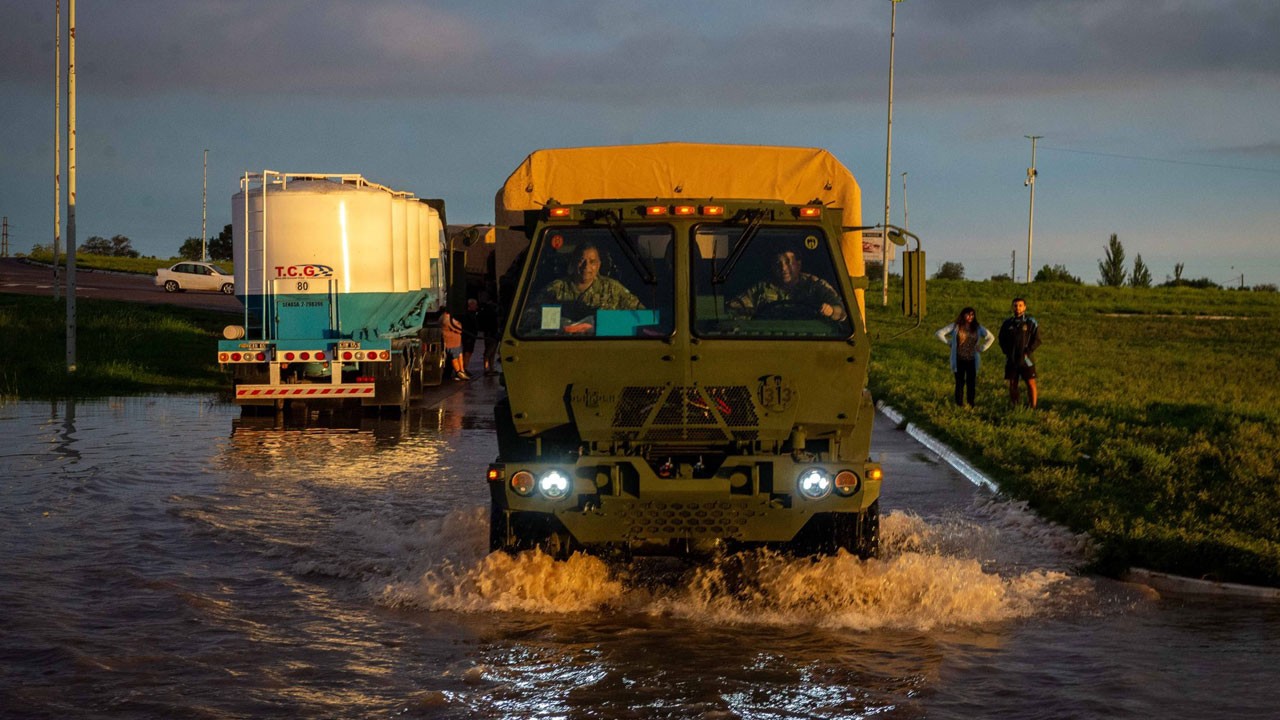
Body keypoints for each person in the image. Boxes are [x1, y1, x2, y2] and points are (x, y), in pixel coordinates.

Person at [726, 248, 846, 322]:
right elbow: (734, 310)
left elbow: (842, 313)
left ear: (798, 265)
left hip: (811, 342)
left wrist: (831, 311)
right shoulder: (761, 288)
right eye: (778, 263)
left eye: (788, 263)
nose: (783, 268)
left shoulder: (815, 285)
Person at [533, 242, 643, 312]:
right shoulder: (556, 289)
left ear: (599, 265)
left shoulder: (612, 289)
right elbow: (529, 315)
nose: (586, 267)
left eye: (592, 262)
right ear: (574, 262)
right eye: (581, 261)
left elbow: (641, 313)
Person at [935, 306, 996, 407]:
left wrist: (982, 348)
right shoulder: (956, 326)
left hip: (972, 359)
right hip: (959, 358)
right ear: (963, 315)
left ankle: (971, 402)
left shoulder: (977, 328)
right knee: (959, 382)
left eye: (972, 315)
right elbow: (939, 333)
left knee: (971, 382)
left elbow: (991, 337)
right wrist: (950, 343)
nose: (970, 317)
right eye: (968, 314)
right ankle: (959, 403)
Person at [998, 297, 1041, 409]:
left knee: (1030, 383)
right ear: (1012, 307)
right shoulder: (1007, 323)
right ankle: (1015, 406)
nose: (1018, 308)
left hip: (1026, 359)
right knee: (1012, 384)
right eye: (1015, 305)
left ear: (1025, 307)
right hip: (1011, 359)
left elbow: (1037, 339)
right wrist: (1007, 351)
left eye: (1020, 305)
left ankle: (1033, 407)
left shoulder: (1031, 321)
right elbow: (1001, 339)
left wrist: (1028, 351)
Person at [440, 308, 471, 381]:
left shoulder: (444, 317)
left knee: (459, 355)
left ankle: (462, 370)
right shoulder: (447, 319)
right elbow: (458, 328)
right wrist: (459, 324)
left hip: (455, 341)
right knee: (455, 357)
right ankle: (459, 372)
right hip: (452, 342)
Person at [477, 291, 501, 376]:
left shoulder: (485, 309)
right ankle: (489, 368)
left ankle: (489, 368)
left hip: (488, 333)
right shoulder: (493, 309)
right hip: (493, 333)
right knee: (490, 352)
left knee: (489, 351)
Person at [460, 298, 480, 372]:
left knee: (468, 352)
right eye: (475, 305)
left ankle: (465, 367)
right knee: (467, 352)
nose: (476, 306)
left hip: (470, 336)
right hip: (468, 336)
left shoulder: (472, 314)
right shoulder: (468, 315)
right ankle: (464, 368)